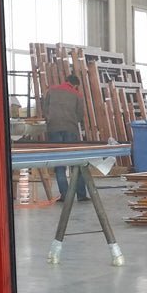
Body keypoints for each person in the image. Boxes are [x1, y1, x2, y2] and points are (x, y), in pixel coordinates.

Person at [43, 74, 88, 202]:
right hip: (70, 129)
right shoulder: (77, 94)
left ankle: (65, 195)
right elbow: (80, 114)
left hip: (53, 129)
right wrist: (72, 120)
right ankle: (81, 195)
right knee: (76, 161)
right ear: (75, 85)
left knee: (59, 162)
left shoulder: (51, 91)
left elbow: (45, 109)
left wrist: (51, 120)